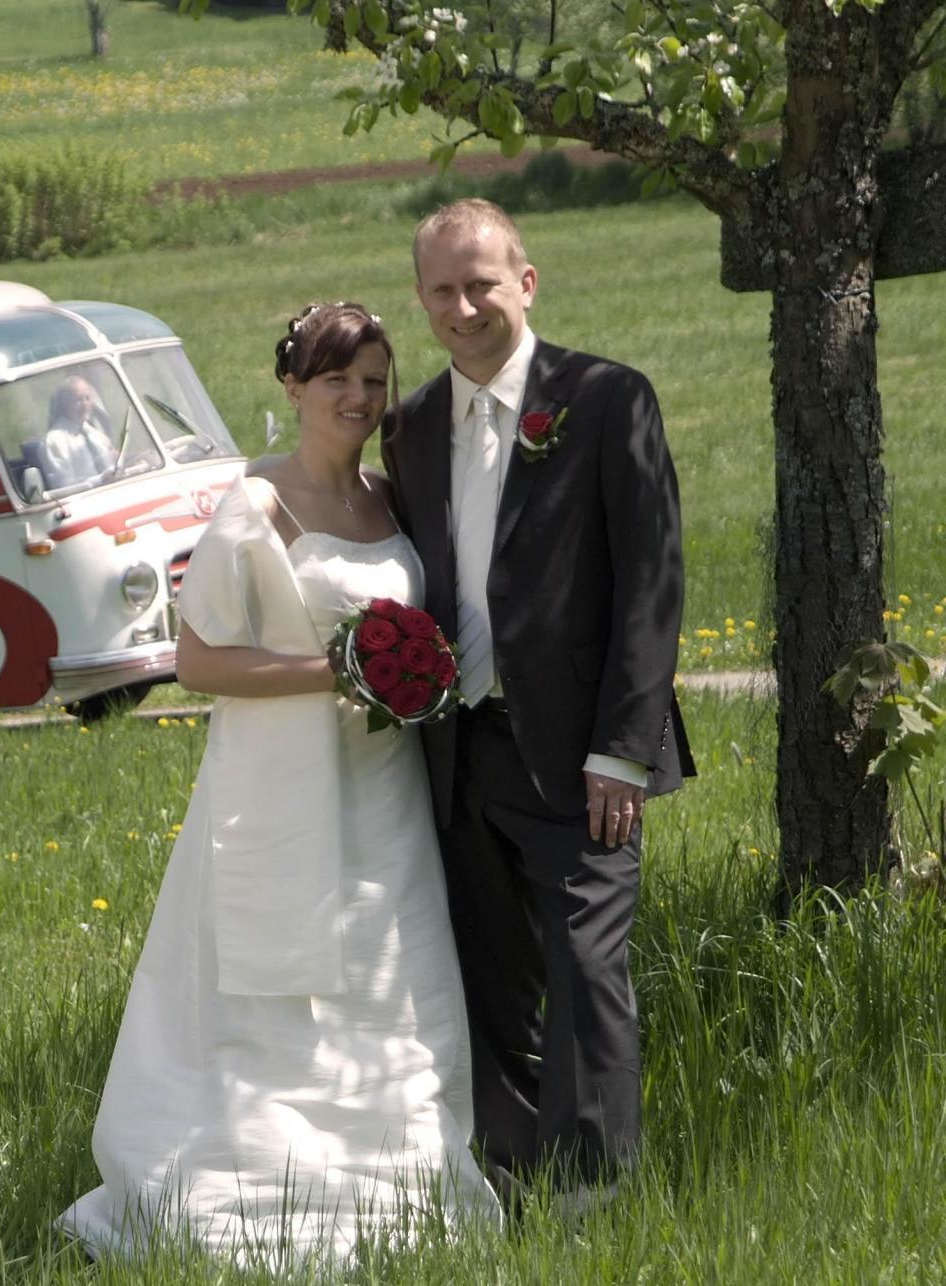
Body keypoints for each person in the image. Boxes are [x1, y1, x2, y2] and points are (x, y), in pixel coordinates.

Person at [58, 304, 497, 1270]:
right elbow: (200, 662)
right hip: (281, 788)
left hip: (383, 788)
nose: (359, 397)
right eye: (338, 378)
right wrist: (342, 673)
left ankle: (403, 1179)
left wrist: (407, 676)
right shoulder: (253, 503)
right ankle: (257, 1172)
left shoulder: (392, 498)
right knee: (278, 990)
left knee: (394, 973)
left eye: (376, 380)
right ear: (293, 388)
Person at [381, 199, 692, 1209]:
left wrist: (623, 750)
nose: (463, 305)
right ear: (422, 297)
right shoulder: (415, 428)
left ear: (527, 280)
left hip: (585, 757)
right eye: (442, 288)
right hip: (460, 754)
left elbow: (652, 584)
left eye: (481, 282)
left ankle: (591, 1195)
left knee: (588, 968)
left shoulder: (607, 400)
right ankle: (512, 1178)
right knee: (491, 979)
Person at [40, 374, 118, 488]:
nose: (85, 405)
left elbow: (112, 468)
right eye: (78, 400)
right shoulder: (53, 442)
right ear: (64, 404)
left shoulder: (97, 434)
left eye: (87, 398)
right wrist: (100, 480)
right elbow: (62, 485)